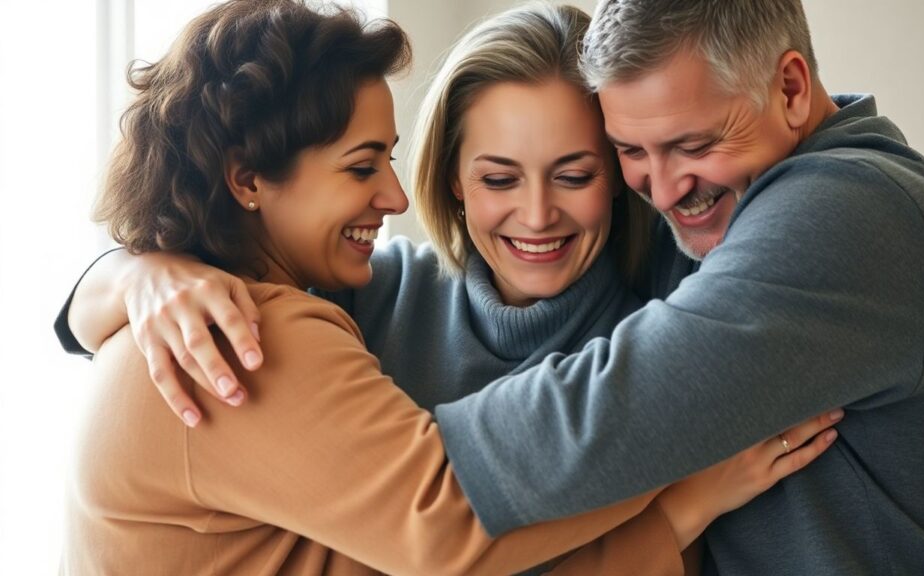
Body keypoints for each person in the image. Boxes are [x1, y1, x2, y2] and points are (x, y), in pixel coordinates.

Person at [61, 1, 839, 574]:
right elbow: (447, 524)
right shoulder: (302, 318)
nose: (393, 199)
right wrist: (128, 272)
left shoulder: (671, 308)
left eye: (575, 174)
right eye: (498, 176)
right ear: (456, 181)